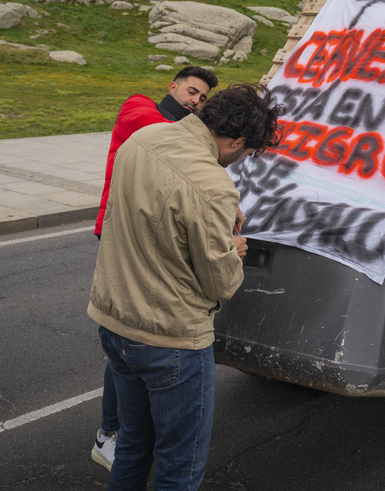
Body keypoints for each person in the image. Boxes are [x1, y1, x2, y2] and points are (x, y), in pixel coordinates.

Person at [88, 83, 281, 491]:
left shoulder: (143, 138)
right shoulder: (211, 185)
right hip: (169, 339)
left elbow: (151, 213)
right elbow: (220, 283)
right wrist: (232, 248)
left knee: (132, 447)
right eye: (245, 153)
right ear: (238, 141)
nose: (239, 160)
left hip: (113, 320)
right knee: (180, 466)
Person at [90, 66, 218, 472]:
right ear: (173, 86)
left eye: (202, 99)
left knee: (126, 337)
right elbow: (160, 133)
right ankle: (109, 432)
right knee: (128, 335)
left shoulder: (176, 127)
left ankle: (117, 430)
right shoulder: (139, 109)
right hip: (121, 227)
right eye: (191, 92)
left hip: (144, 227)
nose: (195, 101)